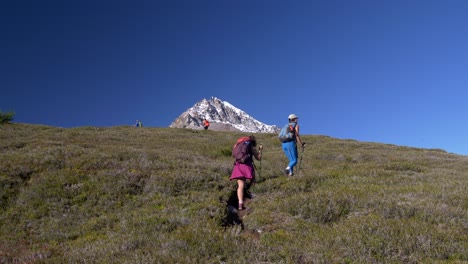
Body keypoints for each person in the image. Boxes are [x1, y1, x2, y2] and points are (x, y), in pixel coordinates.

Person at [230, 135, 263, 210]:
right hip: (247, 166)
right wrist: (260, 150)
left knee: (240, 185)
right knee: (253, 180)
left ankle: (240, 203)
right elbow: (258, 158)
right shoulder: (250, 145)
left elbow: (234, 155)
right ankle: (252, 194)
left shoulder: (238, 144)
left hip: (238, 165)